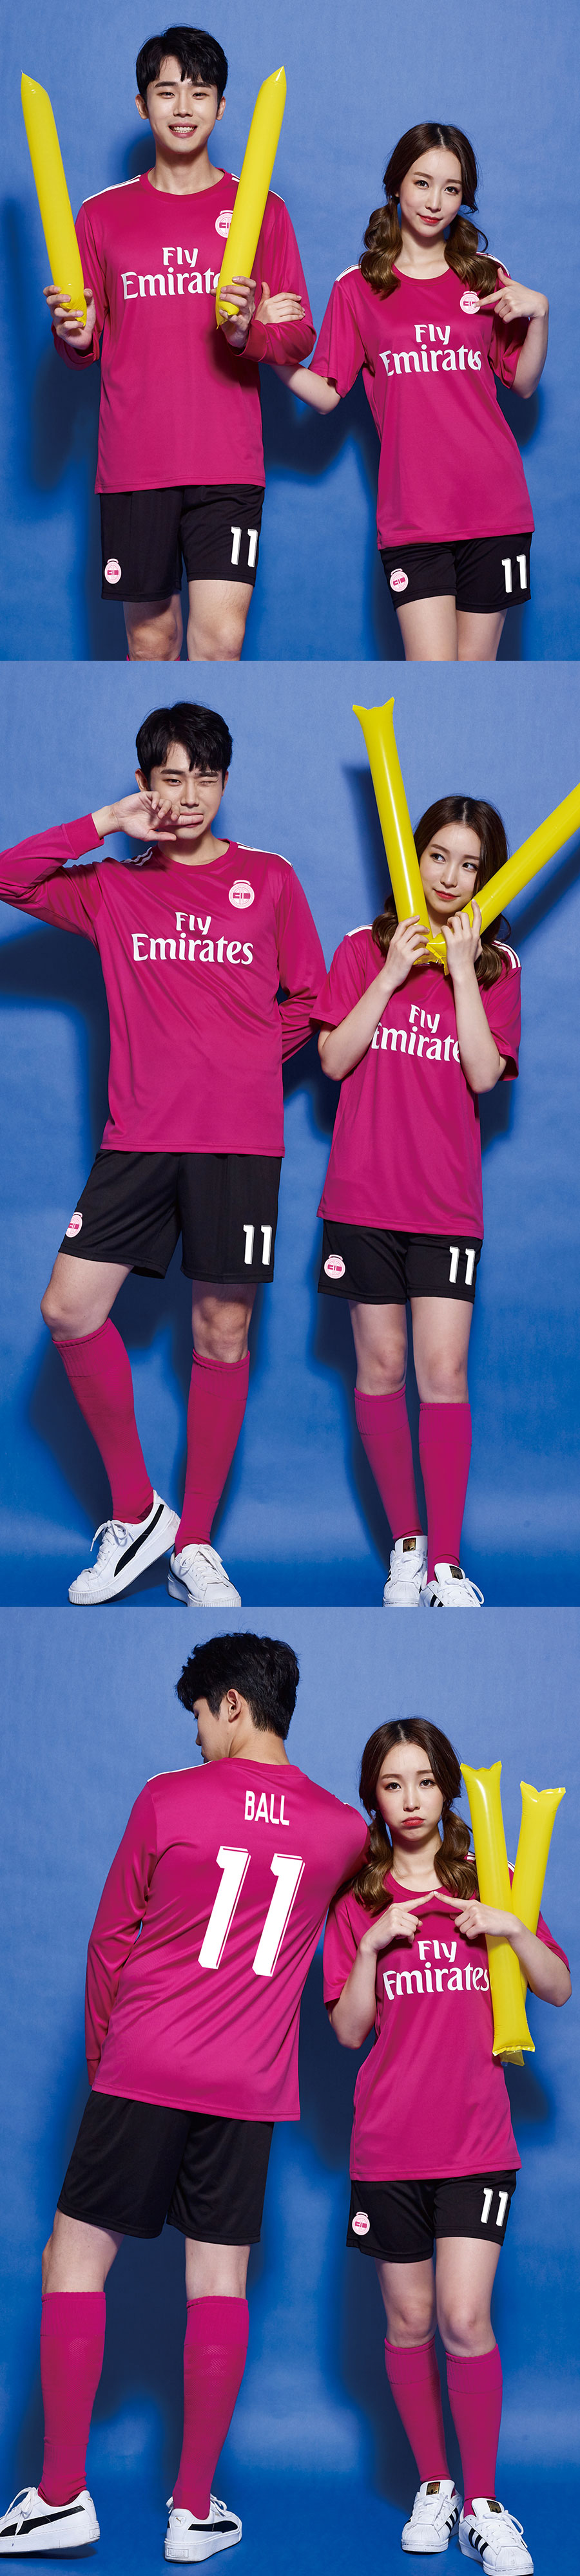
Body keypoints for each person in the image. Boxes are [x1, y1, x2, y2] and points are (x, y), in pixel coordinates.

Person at [0, 1631, 368, 2562]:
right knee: (220, 2285)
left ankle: (60, 2495)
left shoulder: (168, 1797)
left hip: (146, 2064)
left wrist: (107, 2061)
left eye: (200, 1718)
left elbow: (109, 1943)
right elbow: (368, 1926)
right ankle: (193, 2511)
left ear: (232, 1705)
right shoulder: (341, 1829)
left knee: (72, 2261)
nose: (197, 1738)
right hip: (250, 2085)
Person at [0, 701, 325, 1605]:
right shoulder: (113, 888)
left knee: (222, 1332)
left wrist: (247, 1061)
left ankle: (198, 1546)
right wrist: (105, 822)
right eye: (170, 778)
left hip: (238, 1145)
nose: (188, 798)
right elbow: (11, 877)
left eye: (205, 778)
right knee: (70, 1309)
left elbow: (309, 996)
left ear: (224, 783)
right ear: (145, 783)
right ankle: (140, 1513)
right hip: (136, 1140)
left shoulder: (270, 879)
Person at [323, 1718, 570, 2572]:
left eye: (425, 1781)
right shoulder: (357, 1903)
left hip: (477, 2144)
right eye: (393, 1784)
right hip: (388, 2147)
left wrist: (509, 1927)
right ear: (374, 1797)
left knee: (465, 2320)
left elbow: (557, 1986)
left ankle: (485, 2504)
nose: (411, 1799)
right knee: (410, 2320)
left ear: (448, 1789)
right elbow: (347, 2031)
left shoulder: (490, 1877)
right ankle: (436, 2484)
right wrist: (372, 1947)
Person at [44, 26, 314, 661]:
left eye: (200, 92)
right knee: (151, 641)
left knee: (221, 642)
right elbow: (82, 340)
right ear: (143, 106)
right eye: (167, 92)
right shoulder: (100, 215)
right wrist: (75, 336)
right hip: (135, 462)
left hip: (228, 463)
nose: (184, 107)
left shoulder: (262, 209)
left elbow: (299, 336)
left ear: (222, 106)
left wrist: (248, 332)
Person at [313, 794, 521, 1605]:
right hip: (362, 1199)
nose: (451, 876)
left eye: (471, 864)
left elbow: (483, 1074)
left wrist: (462, 970)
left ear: (486, 878)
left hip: (444, 1206)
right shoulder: (361, 948)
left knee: (443, 1371)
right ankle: (408, 1544)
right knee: (381, 1366)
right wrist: (393, 973)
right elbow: (333, 1059)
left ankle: (445, 1564)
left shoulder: (499, 966)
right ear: (415, 854)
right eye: (439, 855)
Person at [277, 122, 548, 662]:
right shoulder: (357, 287)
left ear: (464, 198)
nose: (435, 202)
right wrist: (264, 351)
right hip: (413, 517)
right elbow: (327, 393)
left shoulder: (487, 277)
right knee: (431, 674)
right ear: (396, 184)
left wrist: (540, 316)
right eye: (422, 183)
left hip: (494, 508)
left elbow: (522, 383)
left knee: (474, 682)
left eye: (451, 189)